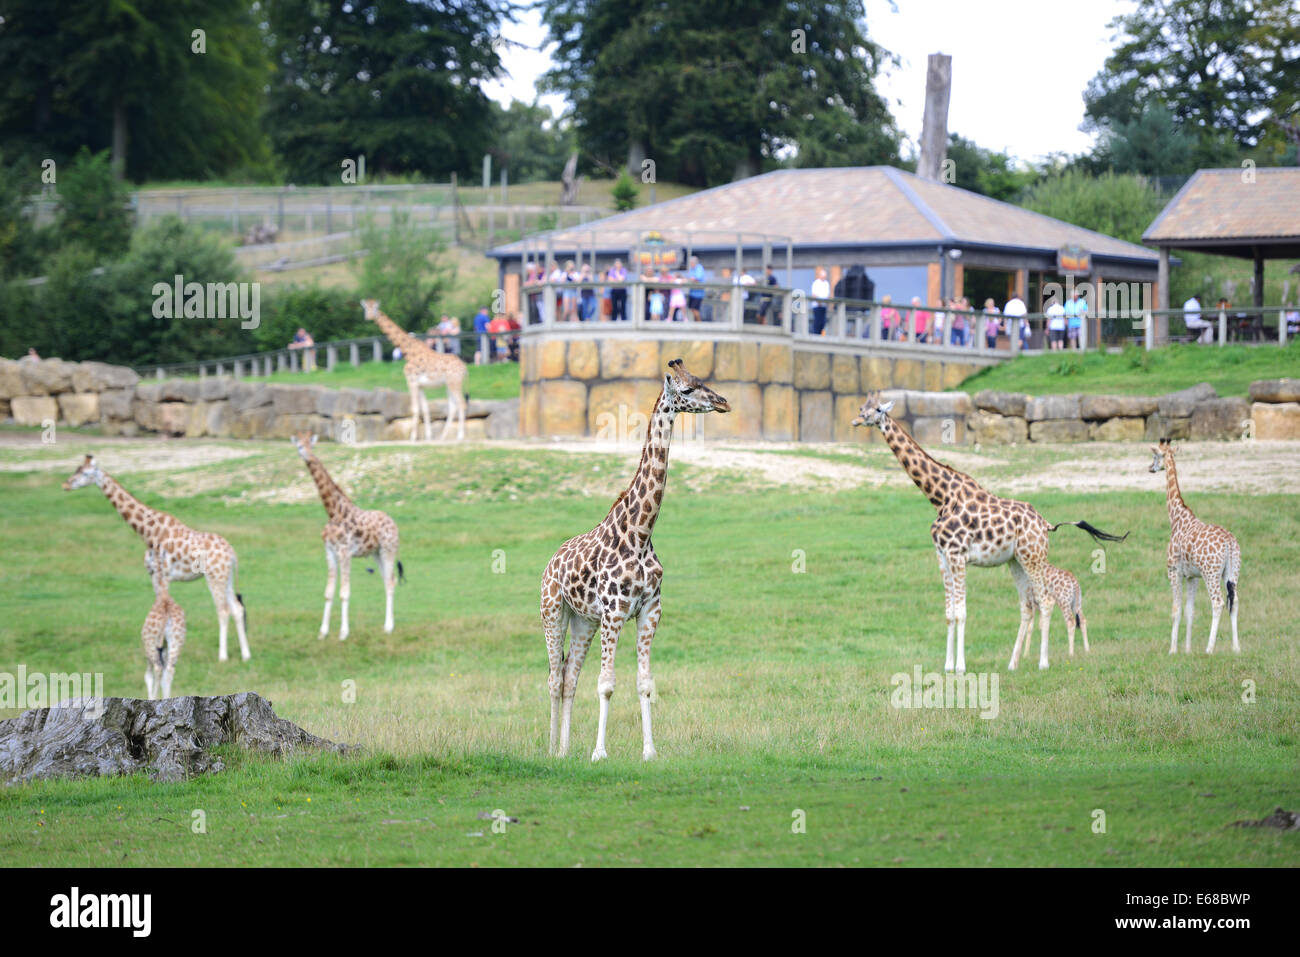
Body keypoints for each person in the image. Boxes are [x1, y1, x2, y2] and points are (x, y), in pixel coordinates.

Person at [810, 267, 830, 335]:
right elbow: (814, 294)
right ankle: (815, 335)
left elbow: (827, 295)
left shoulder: (826, 283)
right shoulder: (816, 283)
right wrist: (819, 302)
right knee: (817, 322)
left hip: (824, 306)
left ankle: (821, 334)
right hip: (817, 306)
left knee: (823, 322)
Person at [687, 256, 706, 321]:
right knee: (692, 309)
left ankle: (699, 325)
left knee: (695, 310)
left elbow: (697, 278)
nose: (690, 264)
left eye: (691, 263)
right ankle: (696, 324)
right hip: (692, 292)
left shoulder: (699, 268)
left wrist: (689, 279)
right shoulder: (692, 269)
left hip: (698, 293)